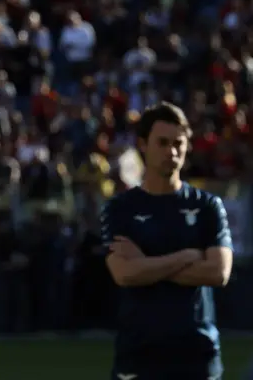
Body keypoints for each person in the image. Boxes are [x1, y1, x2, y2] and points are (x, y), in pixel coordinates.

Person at [100, 102, 233, 380]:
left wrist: (146, 263)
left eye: (178, 144)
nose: (172, 152)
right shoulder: (120, 209)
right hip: (138, 355)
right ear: (143, 145)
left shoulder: (207, 206)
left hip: (197, 354)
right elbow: (125, 273)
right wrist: (186, 257)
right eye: (162, 143)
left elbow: (218, 272)